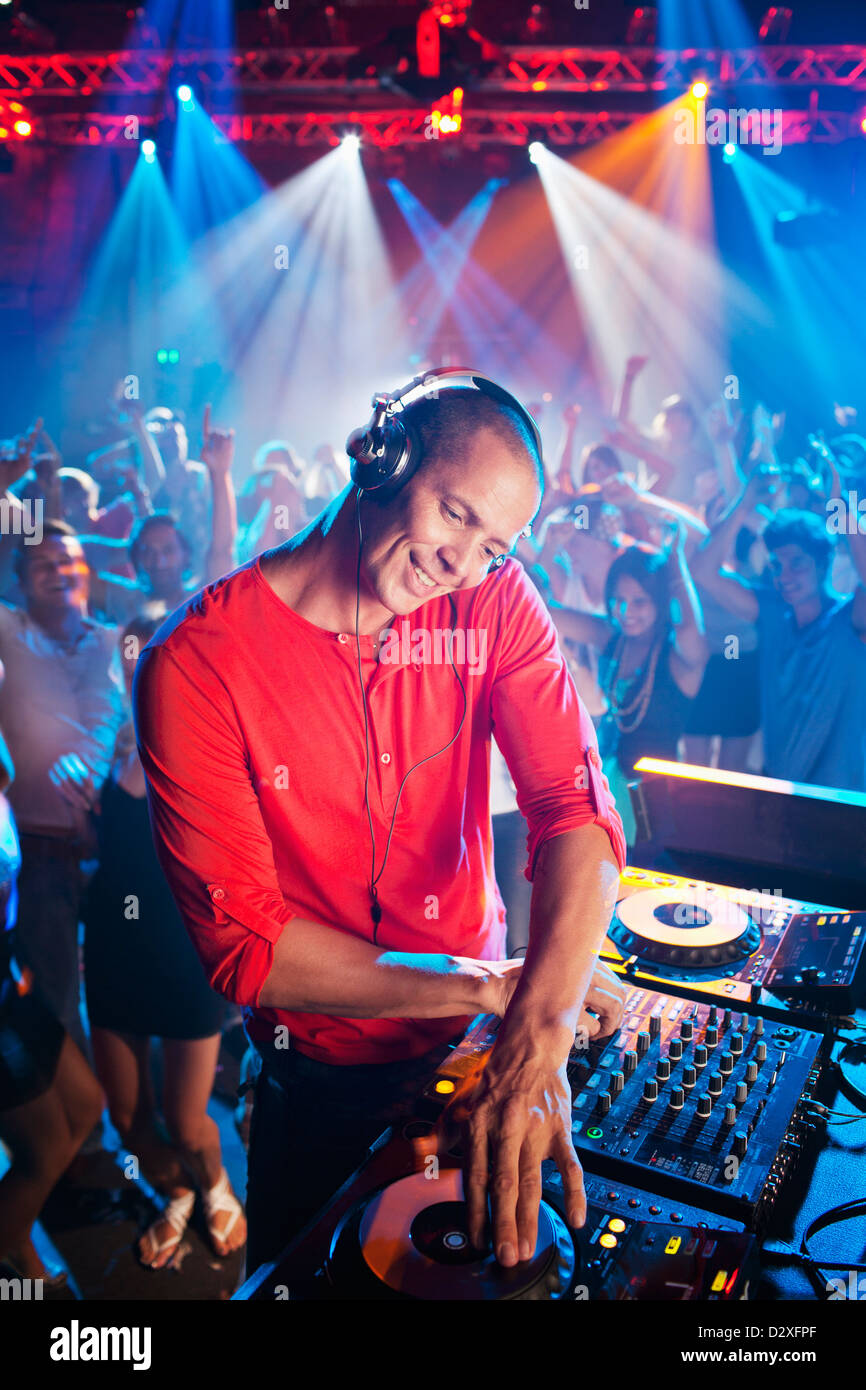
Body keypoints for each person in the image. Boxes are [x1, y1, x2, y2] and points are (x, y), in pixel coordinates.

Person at [134, 374, 629, 1280]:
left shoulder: (494, 599)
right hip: (328, 1085)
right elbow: (252, 947)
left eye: (494, 545)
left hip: (490, 1047)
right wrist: (493, 987)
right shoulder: (196, 665)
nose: (464, 565)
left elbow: (577, 808)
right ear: (377, 459)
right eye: (454, 515)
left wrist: (540, 1024)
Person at [83, 615, 245, 1269]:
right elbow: (105, 852)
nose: (141, 671)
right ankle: (176, 1192)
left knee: (186, 1119)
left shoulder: (214, 750)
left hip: (185, 957)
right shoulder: (111, 746)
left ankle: (214, 1185)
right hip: (114, 952)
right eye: (132, 661)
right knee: (124, 1114)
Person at [0, 523, 126, 1060]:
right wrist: (11, 495)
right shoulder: (9, 631)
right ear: (22, 581)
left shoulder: (114, 639)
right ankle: (82, 1133)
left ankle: (135, 1116)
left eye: (68, 560)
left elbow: (121, 727)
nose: (58, 571)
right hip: (41, 849)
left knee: (124, 994)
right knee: (57, 995)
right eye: (43, 563)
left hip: (115, 849)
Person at [691, 471, 866, 791]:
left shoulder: (850, 621)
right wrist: (743, 503)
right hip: (781, 793)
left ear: (823, 563)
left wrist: (844, 507)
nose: (784, 575)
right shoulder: (772, 612)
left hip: (844, 801)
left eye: (797, 563)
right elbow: (702, 571)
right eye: (776, 566)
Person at [548, 532, 708, 843]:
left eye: (639, 601)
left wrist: (676, 567)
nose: (626, 611)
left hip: (654, 805)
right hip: (603, 792)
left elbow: (693, 632)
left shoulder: (677, 657)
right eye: (618, 601)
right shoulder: (613, 638)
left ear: (660, 602)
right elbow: (548, 614)